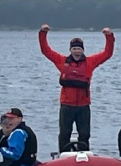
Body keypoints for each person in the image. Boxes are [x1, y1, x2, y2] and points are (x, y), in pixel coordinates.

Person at [39, 24, 115, 152]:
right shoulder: (62, 61)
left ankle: (84, 155)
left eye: (79, 49)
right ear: (70, 50)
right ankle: (63, 156)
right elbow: (46, 50)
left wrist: (109, 36)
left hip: (83, 106)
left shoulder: (90, 62)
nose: (76, 51)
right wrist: (42, 33)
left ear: (82, 50)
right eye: (74, 49)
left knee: (84, 134)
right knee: (64, 134)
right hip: (66, 105)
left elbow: (107, 53)